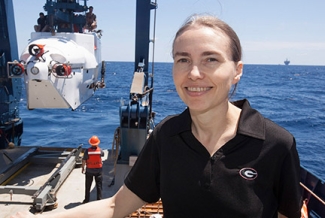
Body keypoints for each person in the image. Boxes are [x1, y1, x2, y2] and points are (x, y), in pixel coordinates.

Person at [10, 14, 302, 218]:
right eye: (183, 59)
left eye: (211, 59)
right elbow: (114, 207)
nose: (194, 73)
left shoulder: (275, 143)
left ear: (237, 69)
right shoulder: (167, 136)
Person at [81, 135, 104, 204]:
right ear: (98, 143)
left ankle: (86, 200)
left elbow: (84, 160)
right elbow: (102, 155)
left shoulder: (87, 151)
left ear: (90, 143)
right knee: (99, 186)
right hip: (98, 170)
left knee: (88, 186)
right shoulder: (100, 150)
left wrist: (83, 168)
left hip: (89, 170)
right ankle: (99, 199)